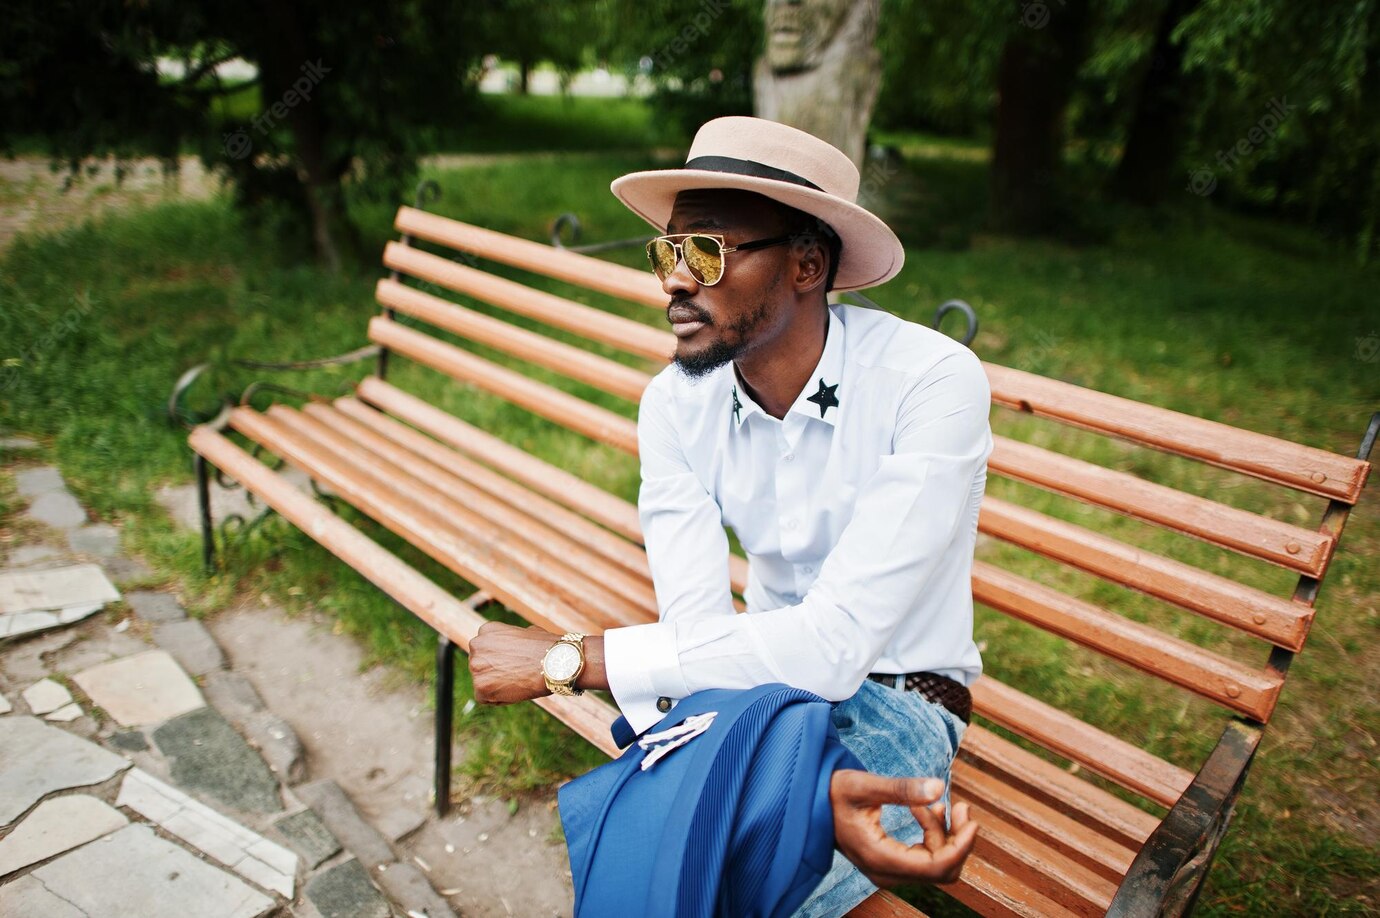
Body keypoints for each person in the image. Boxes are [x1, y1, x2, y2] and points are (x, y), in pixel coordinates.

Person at [469, 115, 990, 915]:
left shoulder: (931, 382)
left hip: (901, 691)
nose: (676, 281)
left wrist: (568, 660)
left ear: (807, 264)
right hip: (754, 681)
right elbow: (694, 620)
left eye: (707, 251)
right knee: (689, 848)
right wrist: (717, 723)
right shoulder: (675, 404)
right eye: (667, 252)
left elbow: (836, 643)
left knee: (731, 864)